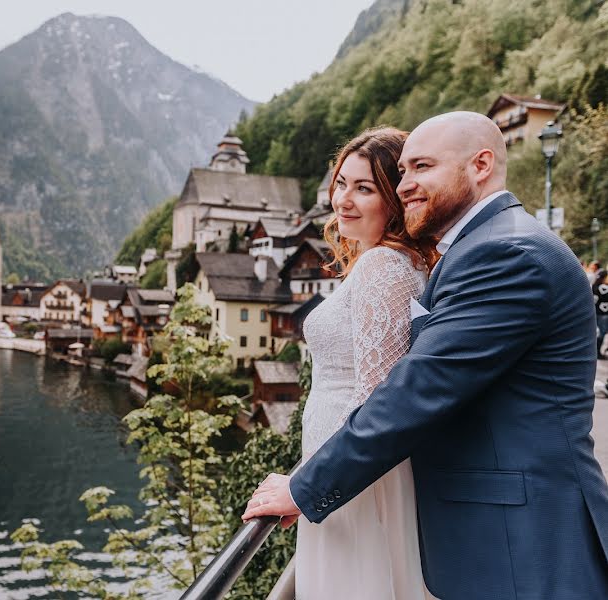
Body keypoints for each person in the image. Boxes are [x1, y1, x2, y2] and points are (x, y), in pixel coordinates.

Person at [243, 112, 608, 599]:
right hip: (494, 526)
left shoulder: (507, 252)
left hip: (522, 539)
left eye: (420, 167)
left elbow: (417, 391)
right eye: (402, 173)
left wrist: (305, 487)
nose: (406, 184)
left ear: (480, 165)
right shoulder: (480, 248)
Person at [252, 126, 440, 598]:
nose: (344, 200)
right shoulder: (393, 263)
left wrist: (309, 486)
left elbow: (376, 400)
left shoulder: (382, 268)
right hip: (341, 468)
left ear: (394, 199)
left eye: (364, 188)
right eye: (341, 183)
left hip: (353, 478)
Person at [594, 269, 608, 358]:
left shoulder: (594, 286)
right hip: (603, 313)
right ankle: (598, 353)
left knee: (598, 332)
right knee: (601, 333)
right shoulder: (604, 287)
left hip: (596, 312)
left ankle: (597, 352)